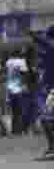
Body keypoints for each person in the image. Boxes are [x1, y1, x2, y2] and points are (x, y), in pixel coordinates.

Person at [28, 26, 54, 156]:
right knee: (46, 118)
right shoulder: (46, 52)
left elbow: (42, 41)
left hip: (51, 91)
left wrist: (31, 33)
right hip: (47, 89)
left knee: (46, 118)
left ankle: (52, 146)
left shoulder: (50, 47)